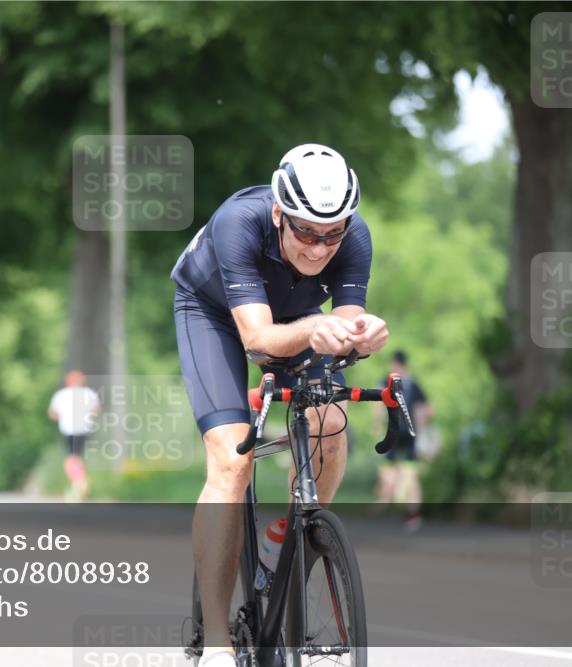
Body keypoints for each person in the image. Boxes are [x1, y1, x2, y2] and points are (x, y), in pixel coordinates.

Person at [170, 144, 388, 666]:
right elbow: (260, 339)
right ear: (279, 214)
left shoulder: (353, 236)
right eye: (307, 232)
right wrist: (320, 327)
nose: (319, 248)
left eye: (331, 233)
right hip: (216, 314)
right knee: (232, 459)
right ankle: (218, 645)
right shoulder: (238, 222)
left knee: (330, 424)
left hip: (295, 316)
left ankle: (287, 544)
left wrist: (363, 334)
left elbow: (345, 327)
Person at [372, 350, 433, 531]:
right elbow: (428, 409)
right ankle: (412, 514)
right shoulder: (413, 383)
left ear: (395, 363)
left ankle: (388, 500)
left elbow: (377, 404)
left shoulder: (387, 380)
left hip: (394, 430)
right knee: (410, 475)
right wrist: (421, 425)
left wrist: (376, 424)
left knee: (392, 473)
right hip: (411, 433)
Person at [47, 370, 101, 502]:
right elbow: (96, 410)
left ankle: (80, 482)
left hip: (69, 430)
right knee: (78, 457)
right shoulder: (89, 393)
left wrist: (63, 417)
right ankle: (78, 485)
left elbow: (52, 414)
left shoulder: (61, 395)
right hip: (85, 430)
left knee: (72, 459)